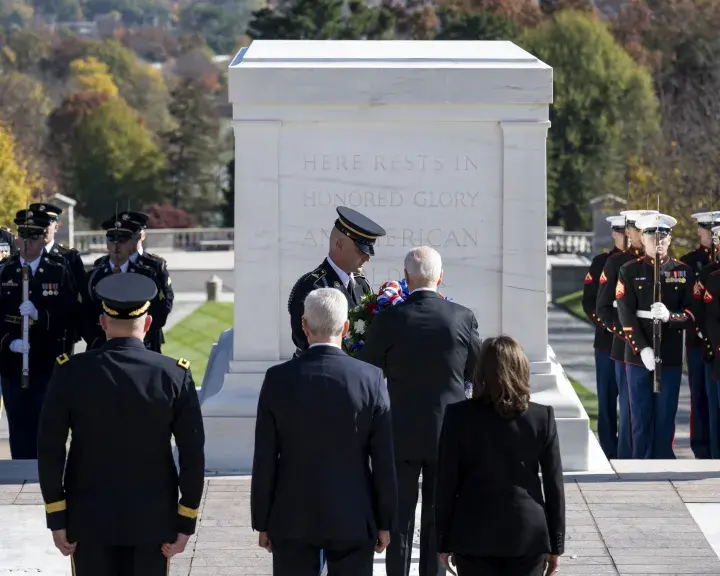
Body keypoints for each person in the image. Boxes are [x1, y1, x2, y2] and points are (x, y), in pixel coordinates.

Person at [37, 272, 205, 576]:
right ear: (149, 322)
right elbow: (193, 454)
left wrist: (57, 516)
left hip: (89, 521)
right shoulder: (173, 375)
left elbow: (50, 450)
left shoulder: (71, 372)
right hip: (153, 523)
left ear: (103, 322)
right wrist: (186, 519)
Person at [251, 288, 397, 576]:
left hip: (292, 516)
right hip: (353, 515)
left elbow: (265, 456)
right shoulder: (370, 379)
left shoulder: (278, 378)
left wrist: (263, 520)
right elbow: (382, 460)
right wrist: (385, 521)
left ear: (304, 325)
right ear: (345, 327)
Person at [360, 246, 482, 576]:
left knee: (398, 519)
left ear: (406, 278)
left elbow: (367, 370)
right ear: (440, 277)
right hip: (447, 431)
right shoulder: (462, 317)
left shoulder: (389, 319)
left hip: (399, 432)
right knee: (436, 515)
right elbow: (476, 369)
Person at [435, 336, 564, 576]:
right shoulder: (541, 417)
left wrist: (443, 540)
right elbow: (553, 485)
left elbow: (445, 483)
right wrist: (556, 545)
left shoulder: (458, 416)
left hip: (474, 532)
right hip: (527, 533)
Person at [616, 213, 694, 459]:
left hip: (669, 352)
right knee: (639, 414)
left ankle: (662, 460)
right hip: (639, 354)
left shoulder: (682, 272)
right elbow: (625, 314)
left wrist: (671, 317)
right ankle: (640, 462)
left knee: (665, 414)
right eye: (651, 236)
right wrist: (642, 347)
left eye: (662, 236)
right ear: (643, 238)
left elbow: (692, 312)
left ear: (669, 239)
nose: (657, 241)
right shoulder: (629, 270)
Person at [0, 209, 76, 459]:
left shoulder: (58, 270)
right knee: (18, 422)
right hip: (12, 362)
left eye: (34, 236)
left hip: (46, 359)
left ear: (44, 239)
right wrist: (9, 343)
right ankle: (22, 469)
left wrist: (40, 316)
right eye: (24, 236)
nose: (28, 242)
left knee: (48, 422)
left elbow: (69, 314)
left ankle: (48, 470)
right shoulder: (5, 270)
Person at [596, 209, 657, 459]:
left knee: (657, 410)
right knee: (631, 411)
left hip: (659, 348)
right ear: (630, 232)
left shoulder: (658, 264)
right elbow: (603, 309)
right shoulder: (616, 263)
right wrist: (631, 336)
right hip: (625, 348)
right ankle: (628, 459)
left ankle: (655, 456)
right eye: (637, 229)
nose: (641, 235)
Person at [288, 206, 386, 354]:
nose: (367, 258)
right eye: (361, 251)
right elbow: (304, 340)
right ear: (339, 245)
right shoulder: (312, 286)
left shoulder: (361, 283)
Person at [84, 216, 168, 351]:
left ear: (131, 244)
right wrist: (98, 338)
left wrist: (139, 336)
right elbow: (84, 312)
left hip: (141, 344)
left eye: (122, 241)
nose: (116, 246)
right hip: (101, 346)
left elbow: (161, 307)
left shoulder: (147, 274)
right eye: (112, 240)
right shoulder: (94, 275)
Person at [581, 215, 625, 459]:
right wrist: (607, 325)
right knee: (607, 398)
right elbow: (589, 303)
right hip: (607, 341)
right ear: (613, 234)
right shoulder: (600, 263)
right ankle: (609, 448)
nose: (622, 236)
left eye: (626, 231)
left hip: (635, 342)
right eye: (618, 231)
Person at [684, 212, 720, 458]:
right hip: (699, 341)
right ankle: (701, 444)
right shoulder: (690, 262)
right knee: (699, 395)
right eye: (709, 229)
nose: (711, 234)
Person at [30, 202, 87, 355]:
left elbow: (81, 296)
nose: (42, 228)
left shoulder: (69, 257)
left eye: (47, 223)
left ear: (56, 226)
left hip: (59, 336)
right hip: (29, 335)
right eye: (37, 223)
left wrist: (75, 329)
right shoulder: (23, 256)